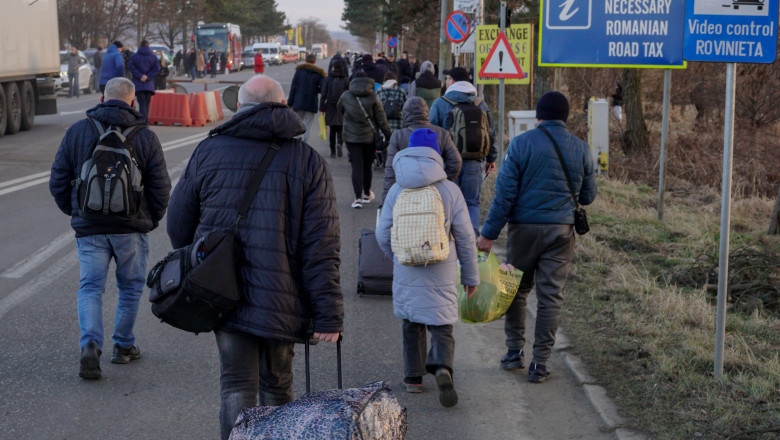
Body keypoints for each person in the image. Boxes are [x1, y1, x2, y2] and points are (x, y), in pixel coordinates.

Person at [165, 74, 343, 440]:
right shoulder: (307, 161)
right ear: (283, 106)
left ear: (239, 107)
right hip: (282, 297)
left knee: (235, 385)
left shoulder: (209, 150)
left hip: (221, 292)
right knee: (277, 385)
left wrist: (201, 260)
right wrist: (328, 313)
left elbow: (179, 227)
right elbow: (321, 246)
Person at [49, 77, 171, 380]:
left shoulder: (78, 131)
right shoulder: (145, 136)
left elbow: (58, 180)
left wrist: (76, 211)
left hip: (90, 228)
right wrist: (150, 219)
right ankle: (123, 346)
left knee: (90, 287)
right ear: (132, 101)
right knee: (129, 287)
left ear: (102, 98)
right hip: (130, 228)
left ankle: (90, 343)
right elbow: (161, 187)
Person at [476, 91, 598, 384]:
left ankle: (514, 352)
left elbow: (504, 196)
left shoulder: (520, 145)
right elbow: (588, 196)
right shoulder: (582, 149)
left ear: (538, 116)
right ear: (566, 117)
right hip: (561, 231)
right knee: (550, 297)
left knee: (515, 290)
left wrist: (488, 234)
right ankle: (540, 363)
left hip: (523, 231)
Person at [375, 128, 479, 408]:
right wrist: (470, 275)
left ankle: (413, 379)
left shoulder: (398, 188)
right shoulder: (450, 189)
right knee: (442, 323)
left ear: (408, 151)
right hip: (441, 266)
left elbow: (382, 232)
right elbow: (467, 237)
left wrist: (398, 254)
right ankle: (443, 367)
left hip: (407, 264)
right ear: (437, 154)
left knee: (412, 322)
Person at [429, 66, 497, 236]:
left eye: (447, 78)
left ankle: (448, 243)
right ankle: (471, 244)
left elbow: (432, 133)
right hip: (474, 162)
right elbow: (491, 132)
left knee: (447, 203)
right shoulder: (481, 103)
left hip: (448, 163)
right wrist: (491, 158)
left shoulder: (441, 103)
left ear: (452, 81)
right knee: (471, 204)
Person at [382, 97, 461, 203]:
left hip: (406, 191)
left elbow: (390, 172)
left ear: (405, 114)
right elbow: (456, 162)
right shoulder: (442, 133)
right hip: (434, 190)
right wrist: (442, 180)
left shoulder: (398, 136)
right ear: (426, 112)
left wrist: (386, 199)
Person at [338, 73, 391, 209]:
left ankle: (357, 198)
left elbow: (340, 109)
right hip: (369, 137)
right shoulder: (373, 96)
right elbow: (381, 118)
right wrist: (388, 134)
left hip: (351, 137)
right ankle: (367, 194)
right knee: (367, 165)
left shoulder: (346, 96)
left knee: (356, 166)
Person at [287, 53, 326, 144]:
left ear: (305, 60)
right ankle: (306, 143)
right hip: (311, 103)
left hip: (298, 102)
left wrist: (289, 104)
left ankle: (298, 141)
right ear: (315, 61)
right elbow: (324, 88)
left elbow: (293, 88)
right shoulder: (319, 74)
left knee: (297, 124)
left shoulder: (299, 72)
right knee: (308, 125)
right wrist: (316, 89)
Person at [320, 61, 349, 158]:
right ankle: (339, 143)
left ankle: (332, 152)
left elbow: (324, 93)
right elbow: (348, 93)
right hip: (342, 106)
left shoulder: (328, 79)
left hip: (330, 106)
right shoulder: (345, 79)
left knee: (332, 129)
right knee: (341, 128)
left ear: (333, 68)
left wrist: (321, 107)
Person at [128, 40, 160, 119]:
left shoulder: (134, 56)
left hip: (138, 84)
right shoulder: (153, 56)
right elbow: (156, 69)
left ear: (140, 46)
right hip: (149, 84)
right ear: (148, 46)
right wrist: (147, 76)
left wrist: (140, 76)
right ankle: (145, 120)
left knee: (142, 103)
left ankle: (144, 121)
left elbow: (131, 68)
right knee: (146, 103)